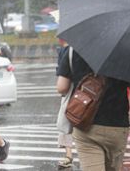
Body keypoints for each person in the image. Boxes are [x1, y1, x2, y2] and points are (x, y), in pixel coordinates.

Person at [57, 48, 130, 171]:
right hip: (117, 125)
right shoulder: (126, 52)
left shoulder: (74, 50)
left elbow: (62, 87)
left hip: (85, 123)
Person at [55, 39, 74, 168]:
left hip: (72, 92)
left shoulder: (68, 52)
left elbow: (62, 87)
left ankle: (68, 154)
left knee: (65, 121)